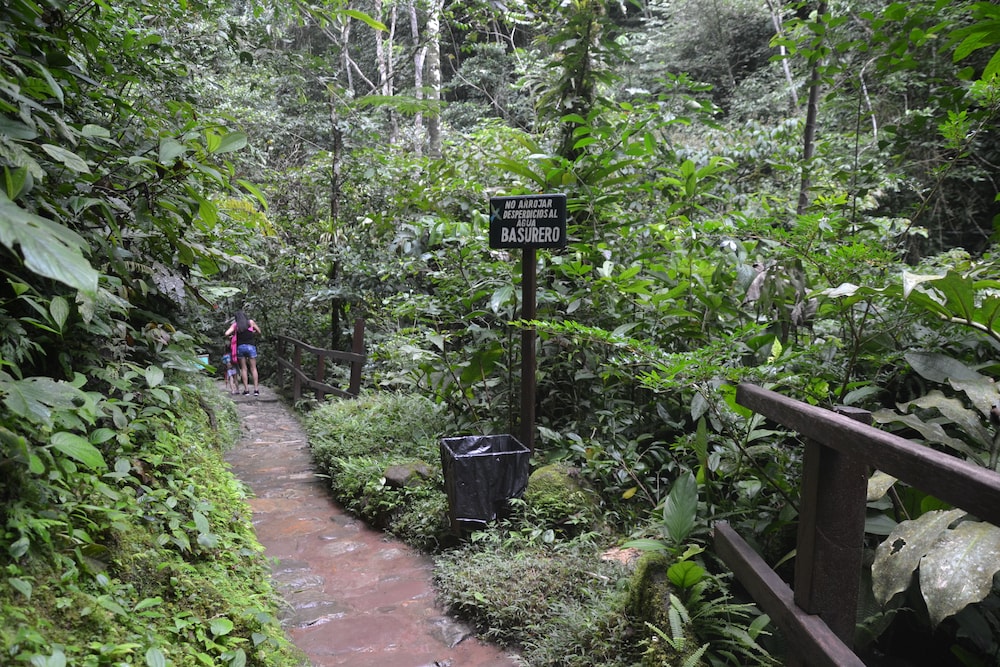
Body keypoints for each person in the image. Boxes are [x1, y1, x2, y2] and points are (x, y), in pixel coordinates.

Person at [225, 310, 261, 396]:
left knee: (244, 369)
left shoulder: (236, 325)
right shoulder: (250, 322)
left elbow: (226, 333)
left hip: (240, 347)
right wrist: (253, 333)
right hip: (251, 346)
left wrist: (232, 336)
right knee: (253, 368)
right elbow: (259, 331)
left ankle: (246, 390)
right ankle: (256, 390)